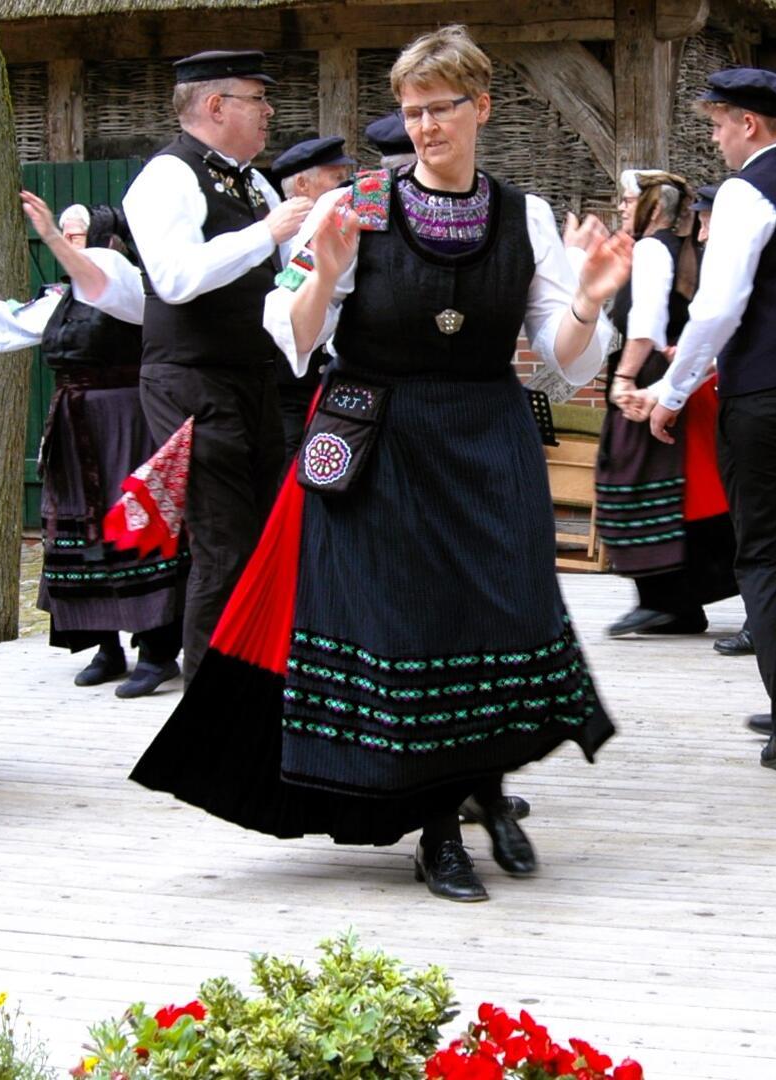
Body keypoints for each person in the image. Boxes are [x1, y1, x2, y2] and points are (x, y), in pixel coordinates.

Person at [129, 25, 632, 902]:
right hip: (383, 440)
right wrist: (323, 275)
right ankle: (437, 832)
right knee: (410, 630)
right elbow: (288, 339)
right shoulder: (349, 206)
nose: (428, 126)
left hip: (487, 437)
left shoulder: (528, 216)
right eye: (412, 111)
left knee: (497, 619)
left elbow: (566, 354)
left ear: (482, 107)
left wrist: (587, 302)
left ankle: (486, 788)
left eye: (443, 108)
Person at [646, 67, 776, 774]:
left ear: (750, 125)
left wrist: (672, 391)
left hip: (766, 391)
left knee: (760, 554)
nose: (715, 136)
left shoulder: (745, 191)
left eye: (718, 123)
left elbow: (719, 307)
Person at [0, 196, 183, 698]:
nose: (69, 244)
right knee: (78, 527)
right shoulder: (65, 295)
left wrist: (53, 237)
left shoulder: (124, 280)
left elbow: (101, 283)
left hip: (125, 421)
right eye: (64, 235)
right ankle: (104, 644)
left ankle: (157, 650)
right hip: (75, 423)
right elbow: (14, 322)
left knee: (130, 525)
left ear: (105, 239)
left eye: (76, 235)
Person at [121, 50, 313, 682]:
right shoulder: (165, 177)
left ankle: (261, 676)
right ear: (215, 105)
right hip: (192, 383)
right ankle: (212, 699)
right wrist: (267, 232)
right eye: (258, 99)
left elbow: (280, 272)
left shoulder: (250, 182)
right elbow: (174, 279)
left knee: (261, 542)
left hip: (254, 377)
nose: (269, 112)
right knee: (224, 547)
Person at [598, 171, 737, 638]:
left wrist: (624, 378)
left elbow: (647, 324)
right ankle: (677, 606)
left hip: (657, 377)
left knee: (638, 484)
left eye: (628, 199)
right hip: (683, 376)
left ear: (653, 207)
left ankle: (664, 599)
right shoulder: (684, 250)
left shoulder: (654, 249)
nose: (621, 207)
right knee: (687, 489)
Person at [270, 135, 358, 454]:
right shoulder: (279, 239)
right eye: (335, 178)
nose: (344, 185)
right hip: (292, 381)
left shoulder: (349, 228)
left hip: (338, 379)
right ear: (304, 185)